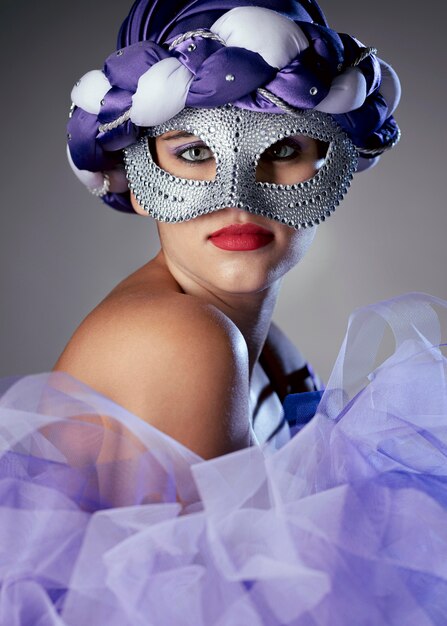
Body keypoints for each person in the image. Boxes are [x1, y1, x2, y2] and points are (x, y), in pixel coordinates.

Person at [1, 0, 446, 624]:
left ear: (337, 158)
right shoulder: (179, 338)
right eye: (192, 154)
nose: (239, 196)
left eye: (283, 147)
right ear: (133, 172)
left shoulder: (267, 349)